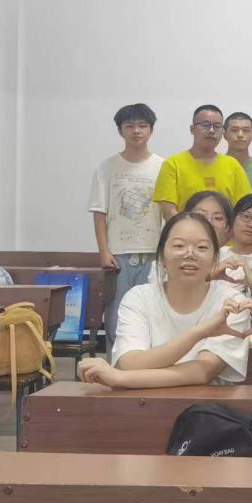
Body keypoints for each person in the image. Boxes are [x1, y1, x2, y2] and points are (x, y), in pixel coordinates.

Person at [77, 212, 250, 389]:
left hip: (208, 404)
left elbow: (203, 371)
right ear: (161, 256)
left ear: (215, 259)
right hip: (143, 402)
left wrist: (121, 379)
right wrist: (200, 333)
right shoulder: (139, 298)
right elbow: (130, 363)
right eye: (179, 246)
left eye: (202, 247)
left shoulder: (232, 302)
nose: (190, 254)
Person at [88, 103, 164, 357]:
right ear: (120, 130)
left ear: (151, 130)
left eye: (143, 125)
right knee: (116, 316)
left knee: (152, 314)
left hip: (154, 253)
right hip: (118, 255)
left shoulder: (163, 166)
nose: (136, 131)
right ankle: (115, 365)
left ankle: (147, 368)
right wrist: (104, 251)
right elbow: (99, 212)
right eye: (129, 125)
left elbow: (168, 211)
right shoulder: (108, 166)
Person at [152, 105, 251, 219]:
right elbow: (169, 212)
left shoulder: (233, 165)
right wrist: (193, 228)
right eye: (205, 125)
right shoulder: (173, 164)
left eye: (217, 126)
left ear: (222, 132)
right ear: (192, 129)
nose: (211, 130)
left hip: (225, 231)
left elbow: (244, 209)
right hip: (186, 229)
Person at [223, 112, 252, 187]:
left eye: (245, 130)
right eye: (234, 130)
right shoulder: (216, 166)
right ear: (224, 135)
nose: (240, 135)